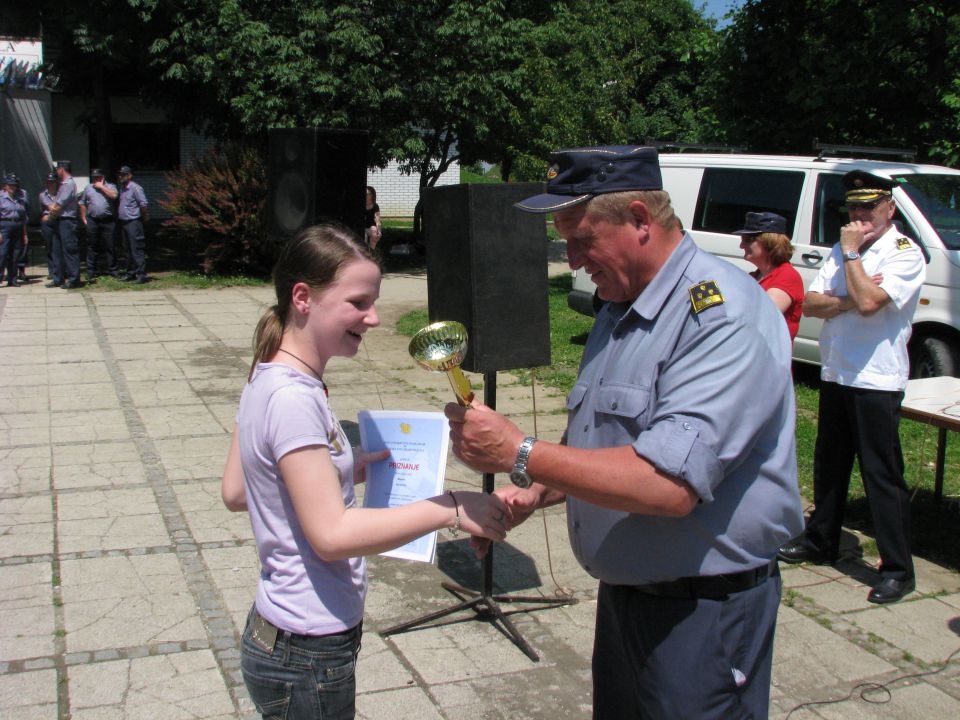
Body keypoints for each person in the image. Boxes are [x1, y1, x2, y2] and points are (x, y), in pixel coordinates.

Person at [447, 146, 804, 718]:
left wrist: (523, 453)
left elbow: (667, 484)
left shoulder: (721, 315)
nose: (571, 258)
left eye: (582, 239)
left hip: (703, 617)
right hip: (629, 603)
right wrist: (537, 491)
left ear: (640, 219)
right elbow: (613, 448)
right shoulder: (621, 308)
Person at [220, 222, 508, 720]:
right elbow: (331, 535)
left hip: (281, 637)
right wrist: (452, 507)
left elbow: (238, 490)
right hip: (308, 651)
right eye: (358, 302)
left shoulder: (268, 372)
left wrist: (338, 471)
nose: (373, 318)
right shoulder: (293, 399)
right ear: (304, 297)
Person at [777, 170, 926, 605]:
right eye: (855, 207)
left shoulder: (903, 253)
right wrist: (850, 297)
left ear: (889, 209)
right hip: (838, 372)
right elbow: (815, 303)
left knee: (881, 474)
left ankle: (898, 569)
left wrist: (852, 259)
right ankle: (822, 540)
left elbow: (870, 302)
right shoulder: (840, 252)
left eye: (870, 206)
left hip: (877, 378)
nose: (861, 215)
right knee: (830, 463)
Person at [733, 211, 804, 340]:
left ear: (769, 242)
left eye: (747, 240)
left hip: (768, 356)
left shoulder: (787, 276)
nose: (741, 245)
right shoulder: (755, 276)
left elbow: (762, 317)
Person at [79, 168, 119, 282]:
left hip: (108, 221)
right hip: (93, 220)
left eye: (98, 177)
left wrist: (102, 187)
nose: (95, 179)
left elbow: (114, 196)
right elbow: (82, 203)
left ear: (102, 177)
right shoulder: (88, 188)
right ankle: (91, 270)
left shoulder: (110, 186)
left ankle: (113, 270)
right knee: (92, 246)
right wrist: (83, 218)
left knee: (110, 246)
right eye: (94, 177)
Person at [47, 160, 81, 289]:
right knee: (56, 250)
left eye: (57, 169)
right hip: (58, 220)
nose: (56, 172)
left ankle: (73, 279)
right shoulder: (62, 184)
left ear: (62, 169)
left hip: (67, 220)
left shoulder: (69, 184)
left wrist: (51, 212)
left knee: (69, 250)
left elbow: (59, 205)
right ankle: (58, 278)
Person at [116, 165, 149, 283]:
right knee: (127, 249)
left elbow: (143, 204)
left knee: (136, 248)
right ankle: (130, 272)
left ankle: (141, 274)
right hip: (124, 222)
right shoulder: (123, 188)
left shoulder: (135, 188)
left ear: (129, 176)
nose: (120, 177)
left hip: (134, 222)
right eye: (120, 174)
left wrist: (144, 217)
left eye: (123, 175)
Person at [0, 174, 27, 287]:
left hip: (18, 226)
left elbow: (24, 215)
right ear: (5, 186)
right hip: (4, 225)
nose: (13, 187)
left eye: (14, 185)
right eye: (10, 185)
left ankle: (13, 279)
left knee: (15, 254)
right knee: (2, 253)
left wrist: (24, 233)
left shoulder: (20, 198)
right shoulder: (1, 197)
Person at [38, 172, 59, 281]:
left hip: (58, 221)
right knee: (49, 246)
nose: (51, 184)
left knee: (58, 246)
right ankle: (52, 271)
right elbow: (52, 207)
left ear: (56, 182)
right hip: (48, 222)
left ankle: (60, 270)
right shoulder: (43, 195)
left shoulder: (60, 193)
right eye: (49, 182)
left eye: (53, 182)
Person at [11, 175, 29, 282]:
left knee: (23, 247)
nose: (15, 186)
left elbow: (27, 208)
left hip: (22, 222)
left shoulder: (24, 193)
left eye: (16, 184)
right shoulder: (3, 194)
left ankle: (21, 271)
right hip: (9, 223)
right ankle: (10, 273)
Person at [364, 186, 381, 250]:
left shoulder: (375, 206)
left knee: (374, 233)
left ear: (372, 195)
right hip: (362, 226)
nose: (367, 196)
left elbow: (377, 220)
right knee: (363, 238)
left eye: (369, 194)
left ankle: (371, 252)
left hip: (370, 227)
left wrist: (379, 231)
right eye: (366, 194)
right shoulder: (359, 204)